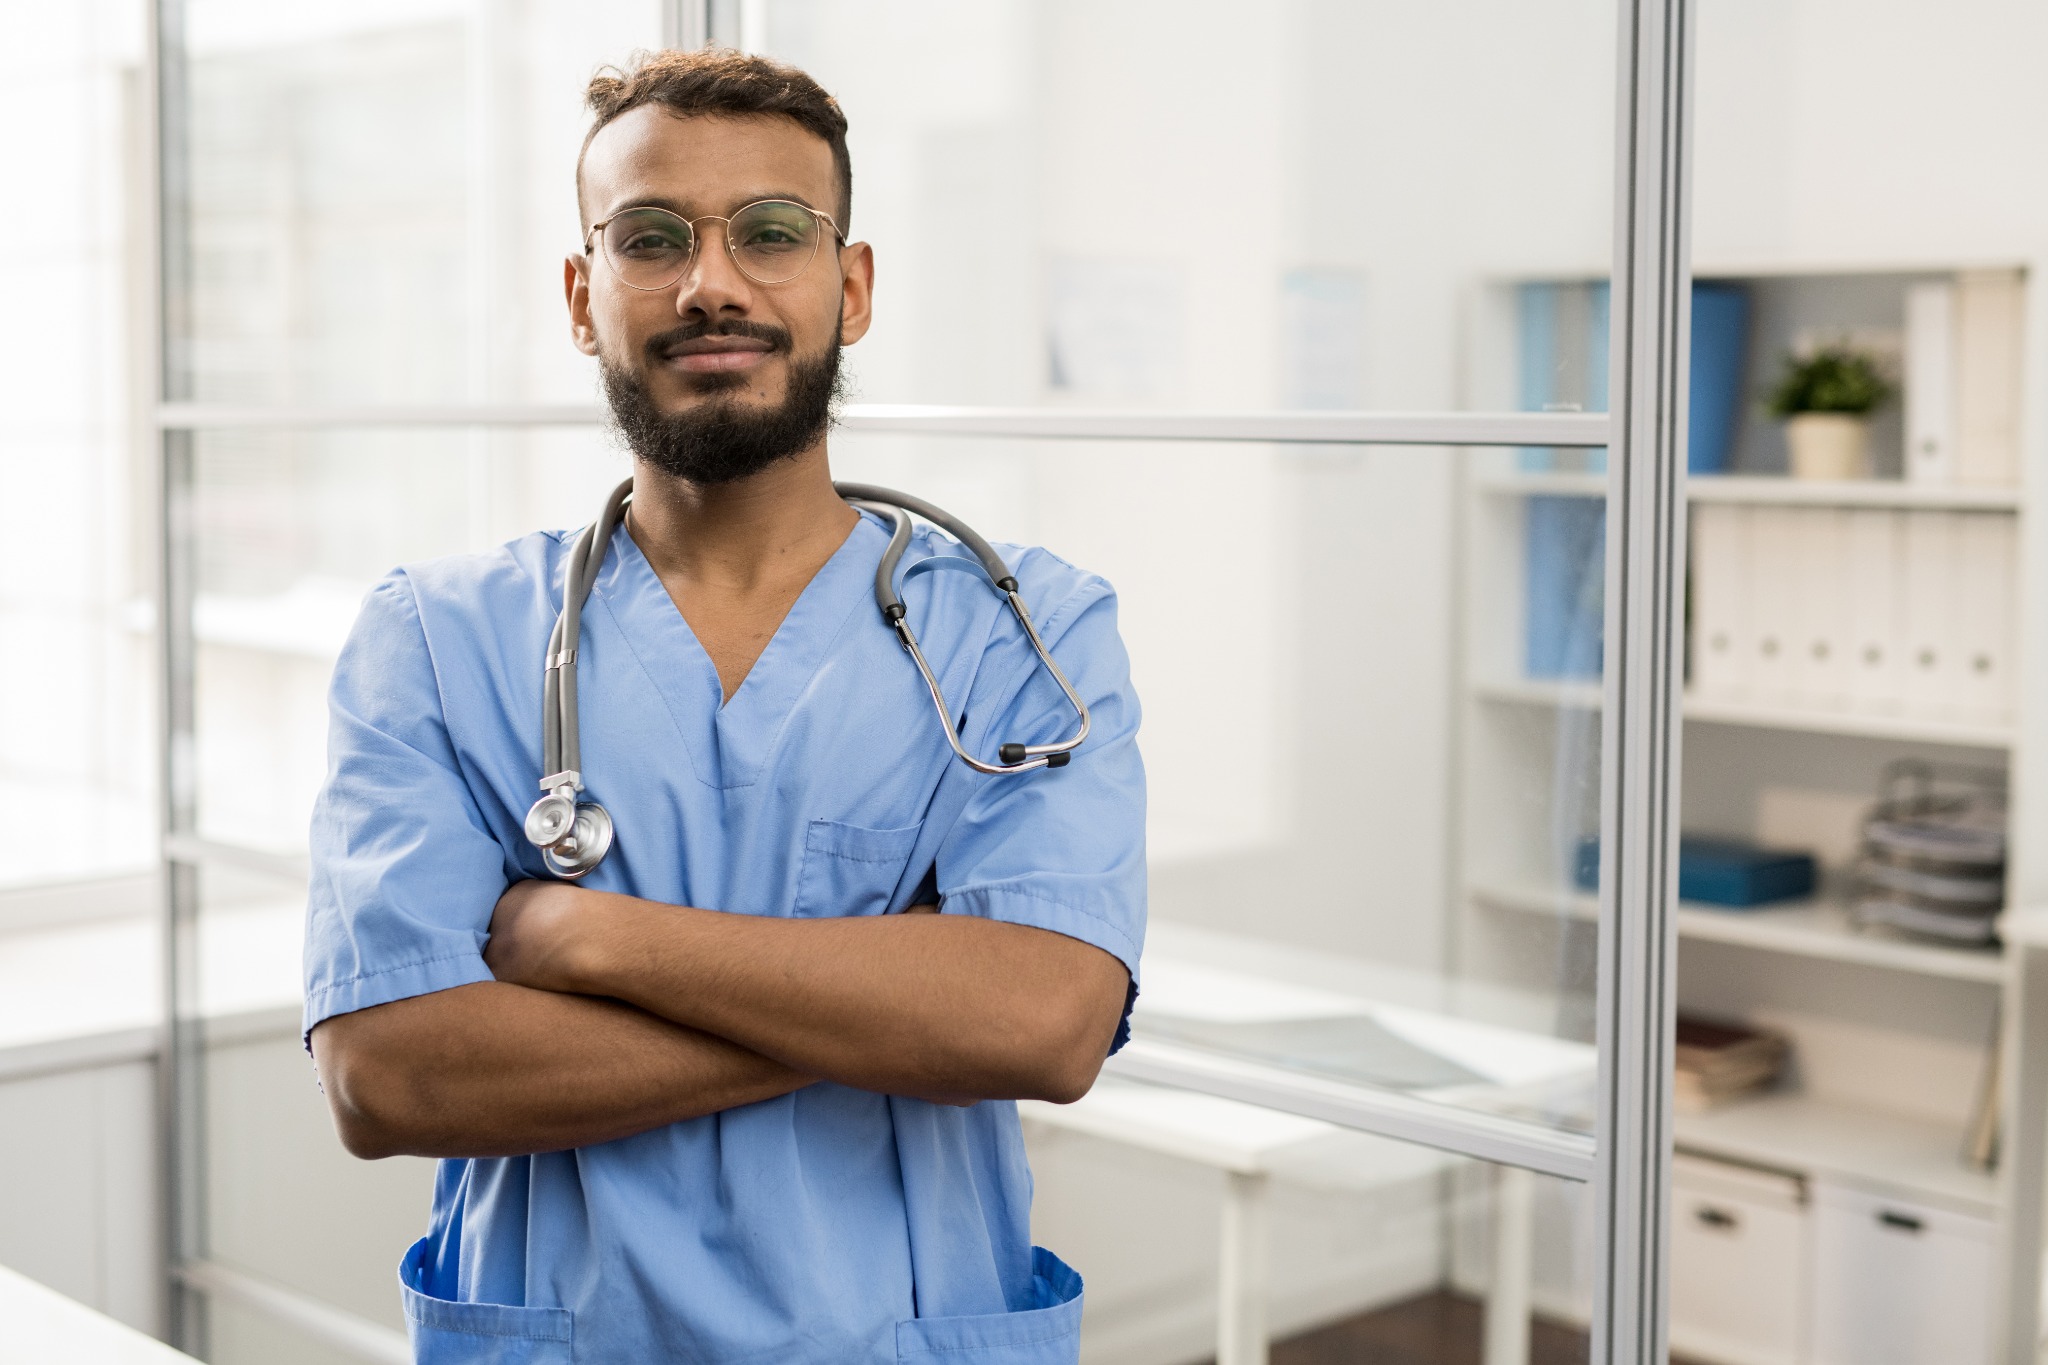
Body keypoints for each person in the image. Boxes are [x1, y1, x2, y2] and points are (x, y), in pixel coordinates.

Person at [302, 47, 1145, 1365]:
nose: (713, 283)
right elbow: (391, 1074)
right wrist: (898, 995)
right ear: (584, 299)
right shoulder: (439, 638)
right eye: (652, 239)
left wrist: (588, 940)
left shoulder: (1026, 630)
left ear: (849, 288)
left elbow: (1045, 1020)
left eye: (771, 232)